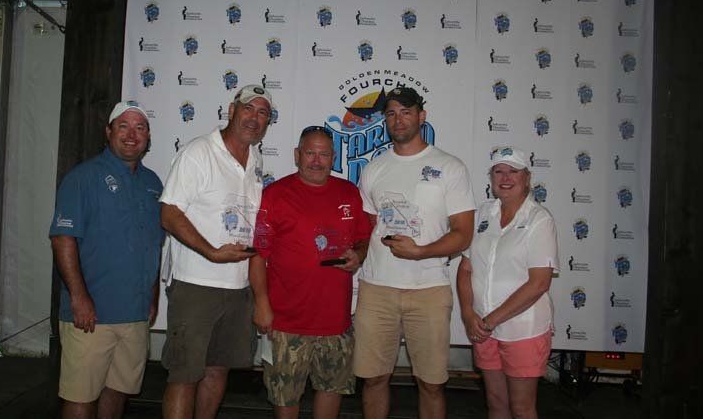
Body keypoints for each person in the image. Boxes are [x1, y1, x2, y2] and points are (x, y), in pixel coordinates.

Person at [354, 87, 475, 419]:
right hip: (377, 287)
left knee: (432, 383)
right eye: (391, 113)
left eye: (406, 111)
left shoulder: (450, 167)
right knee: (374, 378)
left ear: (421, 116)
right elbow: (368, 229)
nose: (398, 119)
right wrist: (355, 254)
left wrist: (421, 252)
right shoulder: (374, 169)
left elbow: (464, 235)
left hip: (429, 290)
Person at [159, 84, 273, 419]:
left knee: (217, 370)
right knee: (184, 374)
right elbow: (169, 213)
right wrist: (210, 252)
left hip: (238, 289)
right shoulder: (198, 152)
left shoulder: (255, 159)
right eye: (248, 108)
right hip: (196, 284)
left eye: (263, 112)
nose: (254, 117)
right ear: (231, 109)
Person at [49, 100, 164, 419]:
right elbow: (62, 238)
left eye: (139, 127)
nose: (132, 134)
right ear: (108, 132)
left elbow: (154, 243)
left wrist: (152, 296)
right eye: (123, 126)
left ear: (148, 137)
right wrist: (79, 297)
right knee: (80, 396)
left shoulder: (153, 184)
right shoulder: (82, 178)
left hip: (135, 314)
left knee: (119, 391)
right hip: (92, 315)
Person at [249, 126, 372, 418]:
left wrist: (359, 254)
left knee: (332, 389)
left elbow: (363, 238)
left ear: (333, 158)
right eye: (310, 153)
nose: (316, 161)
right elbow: (258, 255)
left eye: (324, 154)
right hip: (286, 322)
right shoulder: (276, 194)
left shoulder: (349, 193)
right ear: (297, 155)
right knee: (285, 394)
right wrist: (262, 304)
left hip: (336, 322)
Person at [457, 146, 559, 419]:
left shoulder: (539, 219)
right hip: (482, 328)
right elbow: (465, 269)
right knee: (496, 404)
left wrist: (491, 320)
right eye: (498, 171)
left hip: (522, 330)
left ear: (527, 177)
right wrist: (468, 314)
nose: (505, 177)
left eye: (513, 171)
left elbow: (539, 283)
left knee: (522, 409)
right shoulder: (482, 214)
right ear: (490, 178)